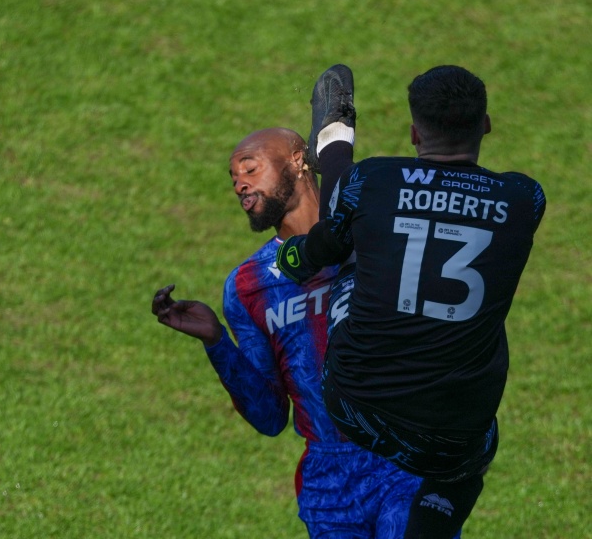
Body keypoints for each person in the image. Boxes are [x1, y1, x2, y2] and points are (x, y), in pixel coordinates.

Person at [277, 64, 546, 538]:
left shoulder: (374, 179)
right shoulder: (525, 198)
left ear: (414, 133)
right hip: (452, 437)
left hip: (354, 402)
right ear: (485, 125)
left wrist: (294, 257)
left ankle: (334, 138)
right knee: (475, 445)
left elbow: (324, 241)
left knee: (350, 245)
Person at [152, 125, 458, 538]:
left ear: (298, 161)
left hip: (402, 459)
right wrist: (217, 342)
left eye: (250, 168)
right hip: (328, 485)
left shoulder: (374, 239)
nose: (240, 184)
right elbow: (270, 417)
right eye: (233, 178)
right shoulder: (247, 286)